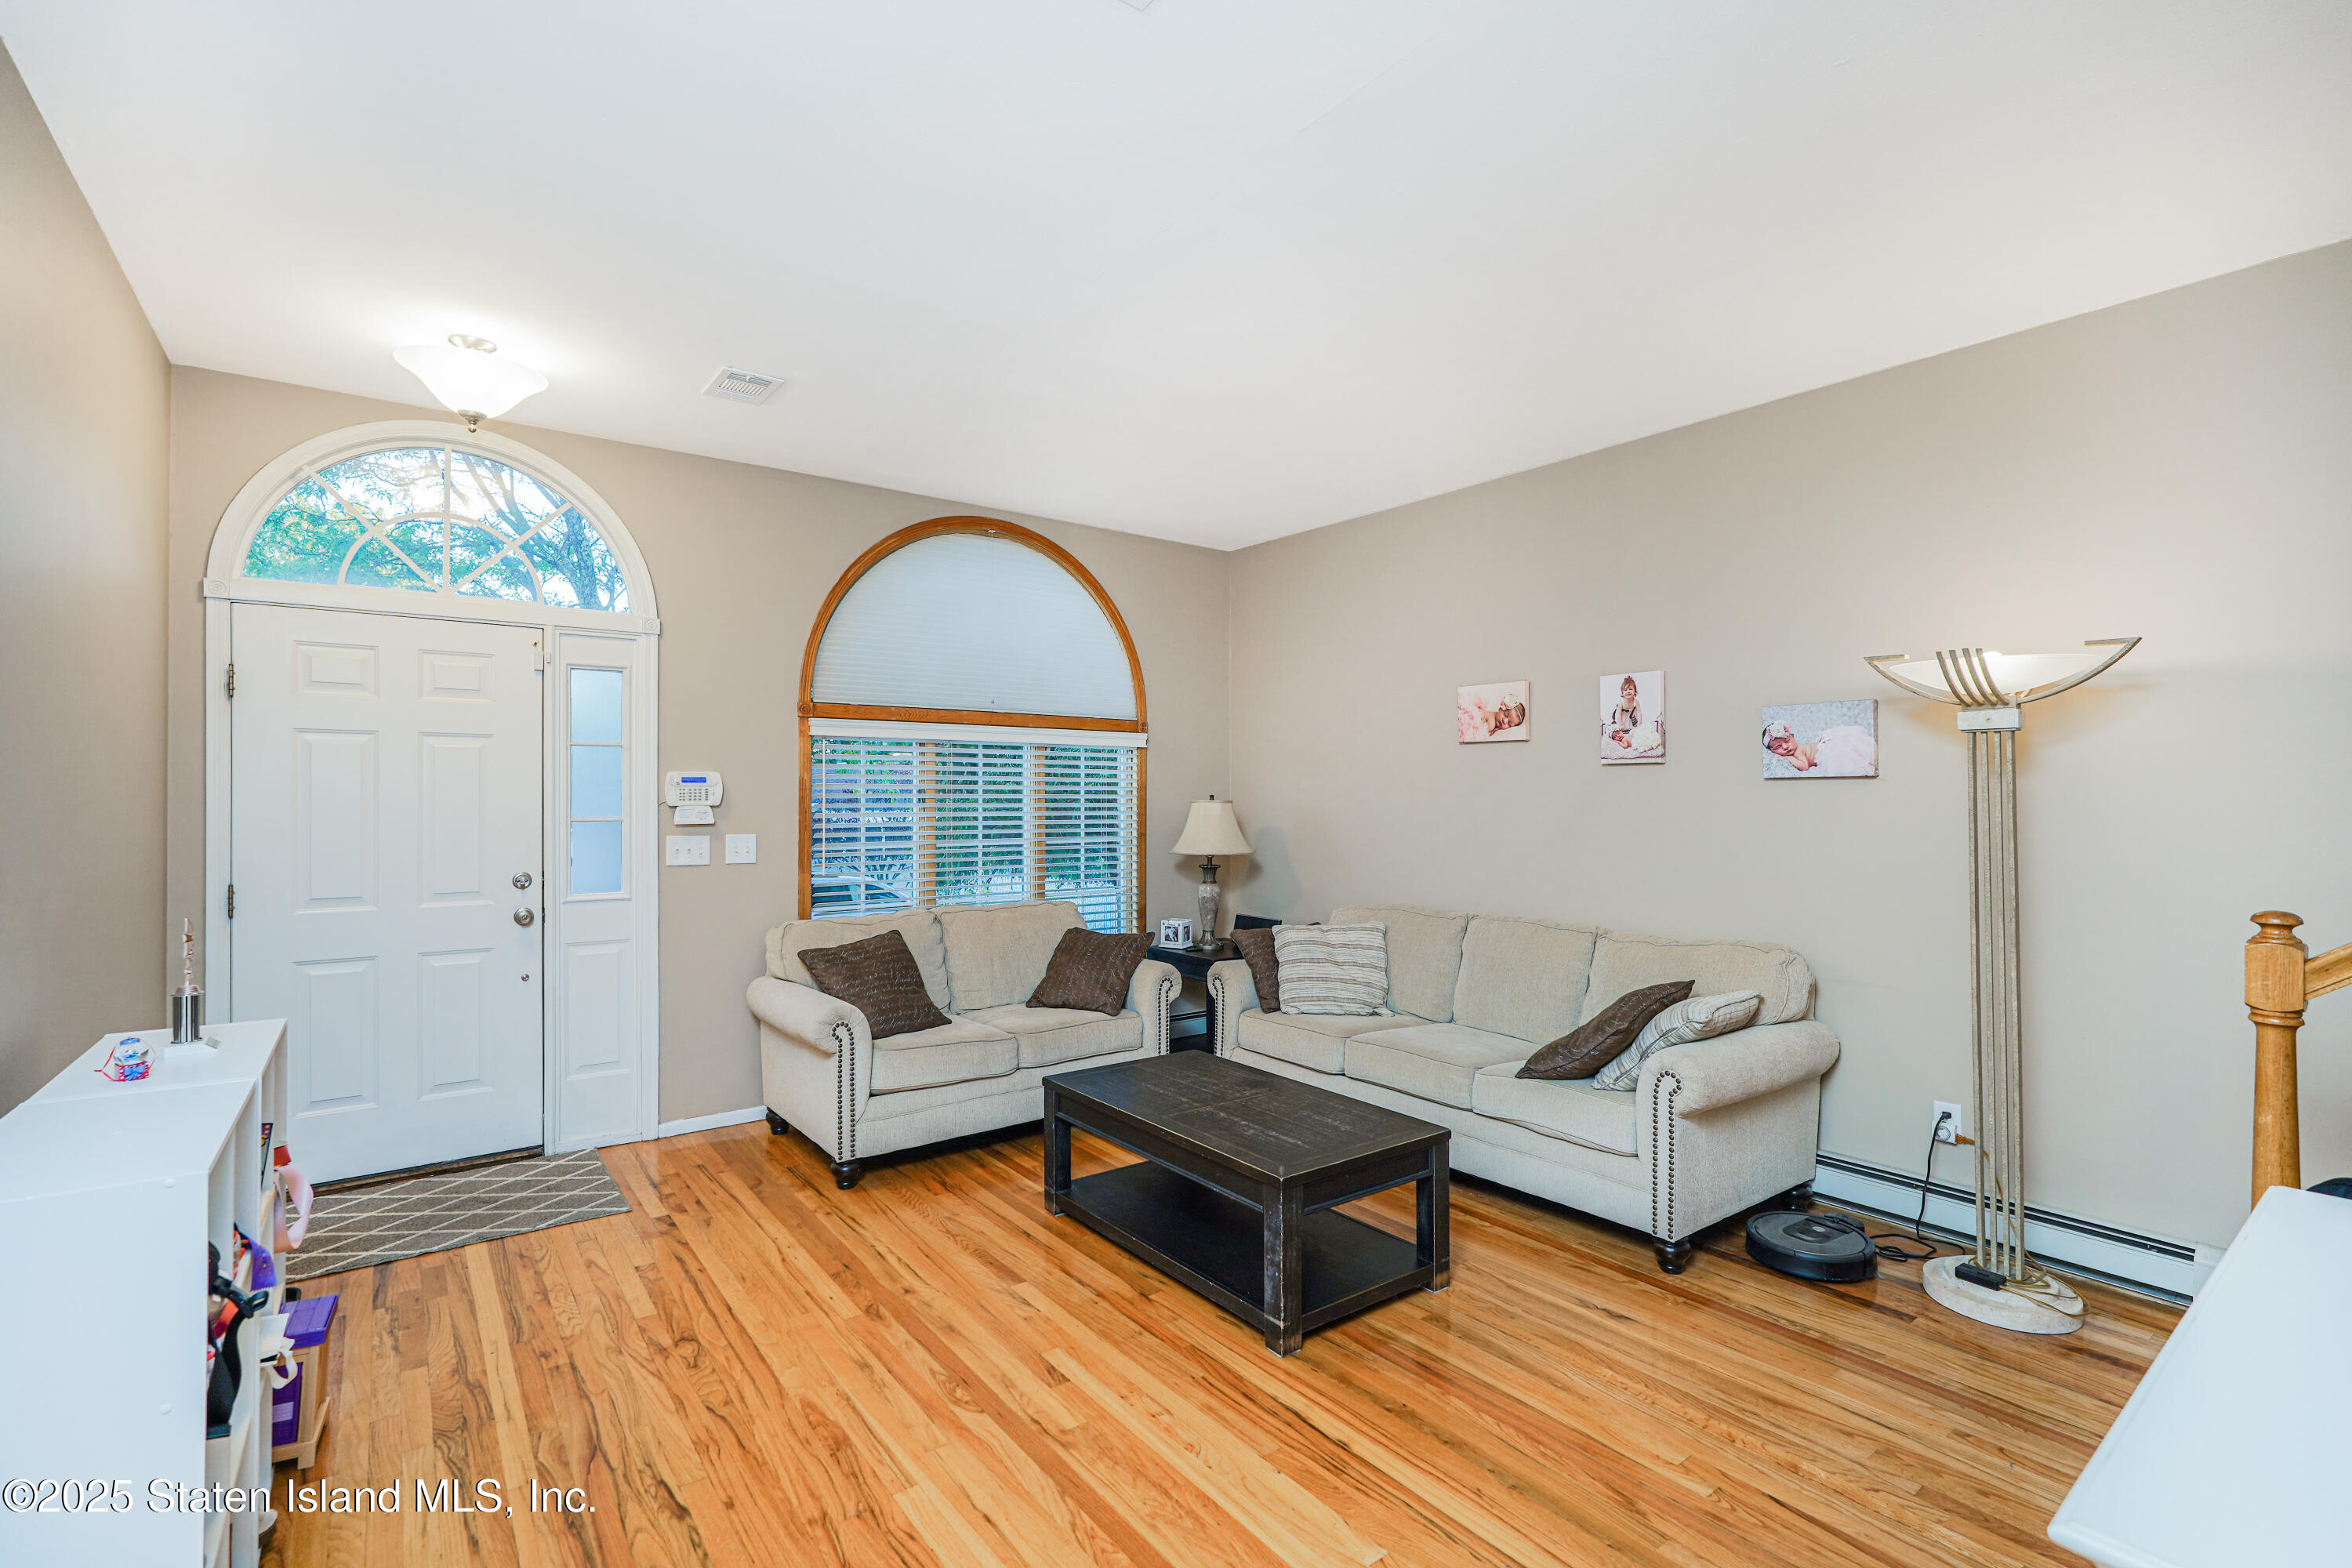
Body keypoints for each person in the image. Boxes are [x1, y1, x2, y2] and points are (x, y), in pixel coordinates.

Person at [1763, 719, 1875, 776]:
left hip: (1826, 751)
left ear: (1793, 736)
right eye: (1778, 747)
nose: (1785, 747)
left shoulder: (1797, 751)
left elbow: (1804, 766)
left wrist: (1789, 758)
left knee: (1848, 757)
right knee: (1851, 757)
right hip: (1826, 747)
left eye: (1787, 741)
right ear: (1771, 751)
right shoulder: (1792, 749)